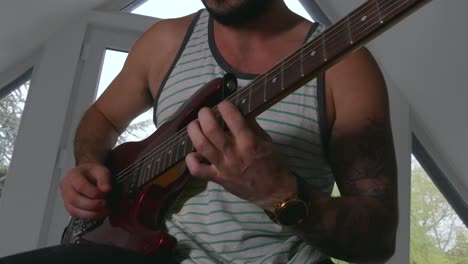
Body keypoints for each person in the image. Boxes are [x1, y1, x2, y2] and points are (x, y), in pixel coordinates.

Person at [0, 0, 398, 263]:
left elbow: (378, 238)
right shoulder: (164, 43)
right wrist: (89, 165)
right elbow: (101, 118)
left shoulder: (346, 66)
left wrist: (280, 193)